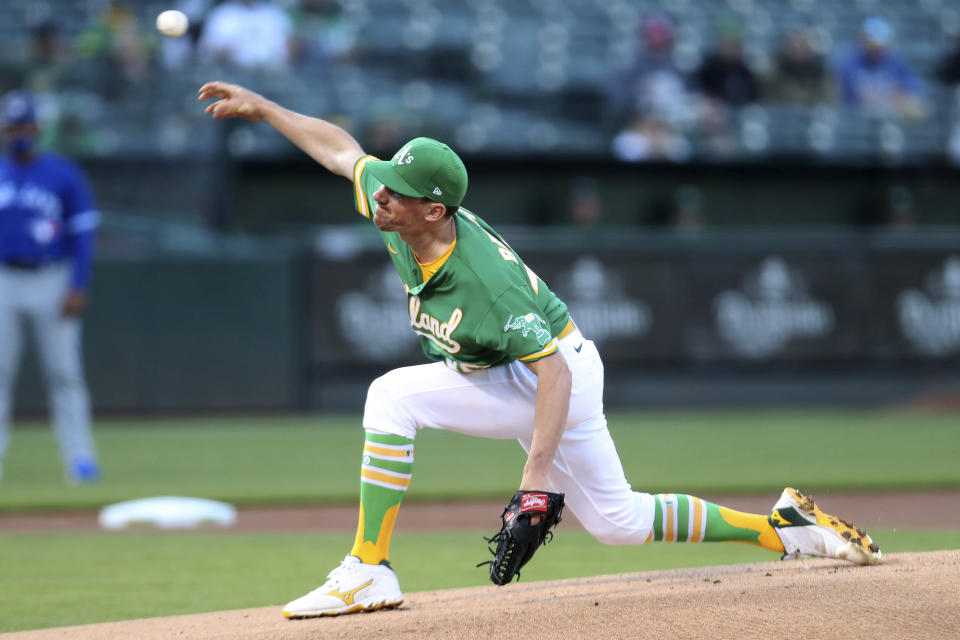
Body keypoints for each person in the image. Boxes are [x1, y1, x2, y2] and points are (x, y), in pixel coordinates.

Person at [198, 81, 882, 619]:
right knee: (618, 523)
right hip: (518, 372)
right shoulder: (397, 207)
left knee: (390, 397)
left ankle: (367, 570)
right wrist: (264, 110)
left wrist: (535, 481)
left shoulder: (482, 282)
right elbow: (341, 151)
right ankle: (786, 531)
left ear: (435, 211)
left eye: (399, 194)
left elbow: (550, 375)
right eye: (388, 185)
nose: (382, 196)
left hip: (553, 377)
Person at [0, 91, 100, 483]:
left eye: (26, 126)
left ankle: (80, 459)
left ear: (38, 129)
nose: (20, 133)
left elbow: (84, 235)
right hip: (4, 279)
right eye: (13, 126)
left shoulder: (63, 173)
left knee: (64, 373)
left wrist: (78, 284)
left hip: (52, 278)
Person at [834, 17, 926, 120]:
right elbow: (849, 95)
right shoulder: (848, 61)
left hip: (890, 116)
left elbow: (913, 89)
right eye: (871, 43)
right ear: (862, 40)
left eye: (879, 45)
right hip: (855, 118)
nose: (875, 49)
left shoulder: (895, 61)